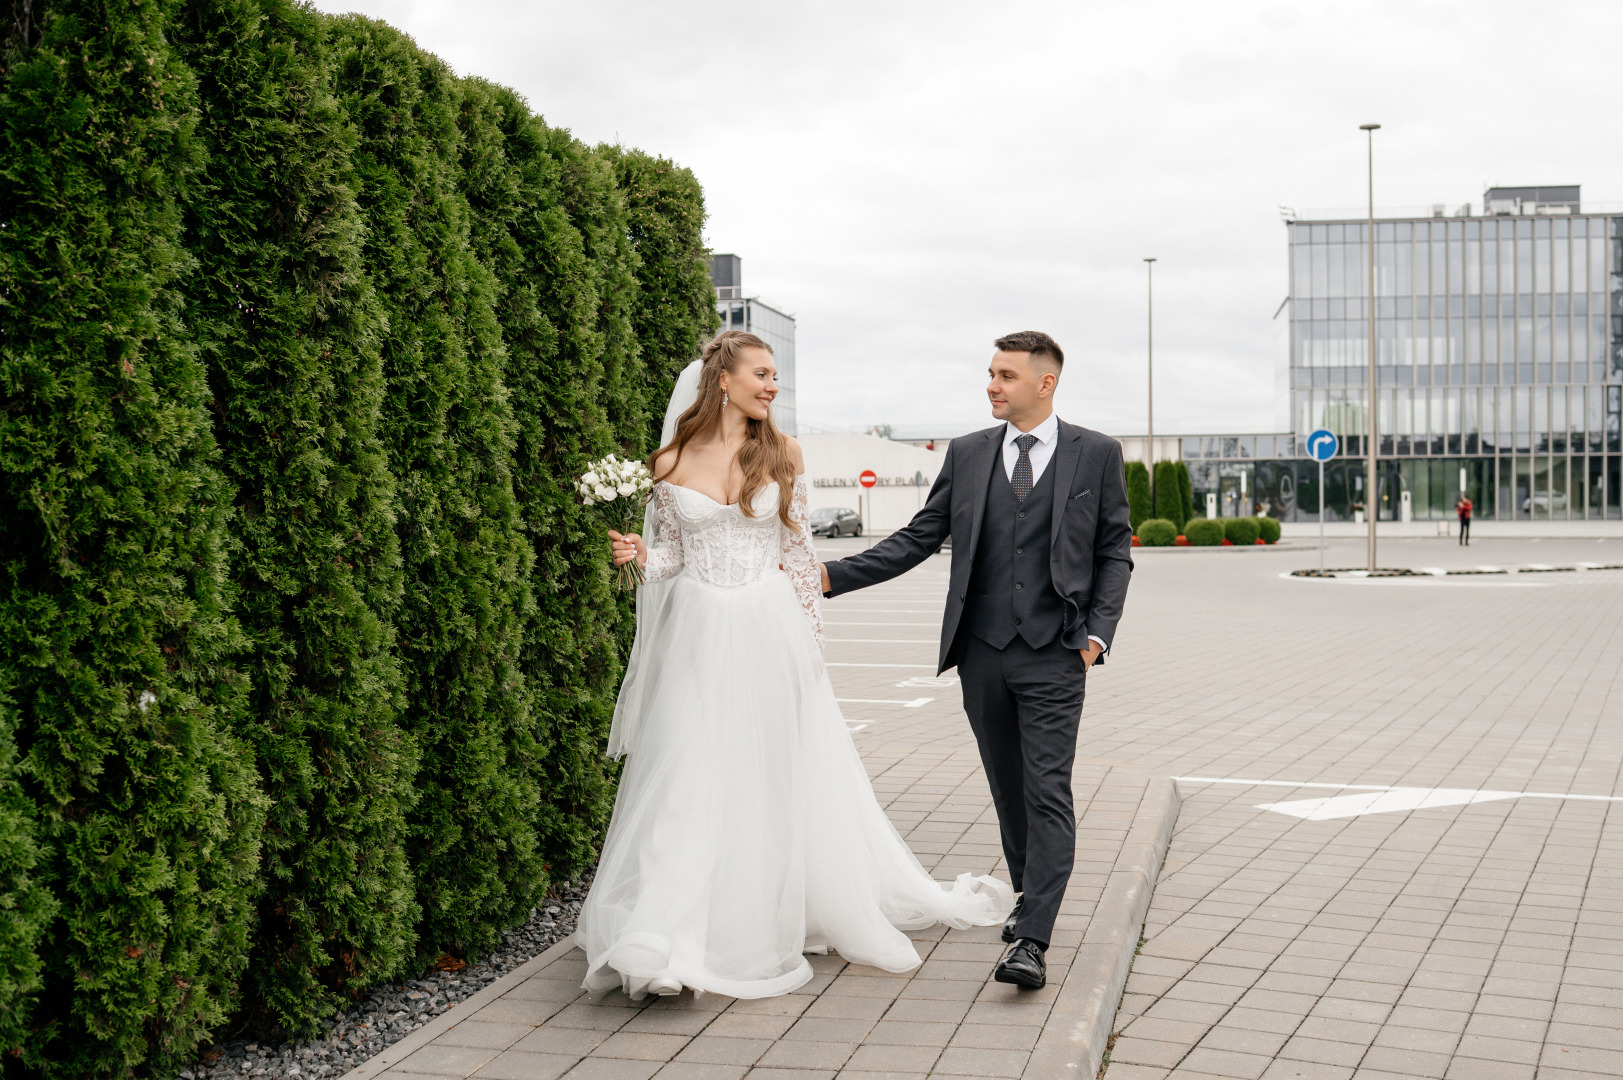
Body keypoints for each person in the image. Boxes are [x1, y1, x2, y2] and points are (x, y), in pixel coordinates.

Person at [577, 330, 1012, 1001]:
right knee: (686, 774)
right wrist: (637, 555)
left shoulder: (784, 454)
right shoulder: (668, 461)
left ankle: (761, 914)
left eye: (775, 375)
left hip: (767, 629)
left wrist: (809, 650)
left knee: (769, 776)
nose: (772, 385)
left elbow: (799, 558)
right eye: (762, 373)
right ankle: (664, 938)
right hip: (696, 634)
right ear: (723, 380)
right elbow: (672, 561)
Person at [817, 331, 1133, 990]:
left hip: (1056, 653)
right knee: (1008, 790)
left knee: (1047, 790)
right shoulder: (966, 452)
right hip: (981, 653)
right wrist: (828, 575)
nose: (992, 385)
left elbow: (1113, 552)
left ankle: (1032, 939)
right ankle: (1026, 895)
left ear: (1045, 382)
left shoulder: (1097, 453)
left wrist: (1096, 638)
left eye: (1006, 375)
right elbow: (918, 537)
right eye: (990, 373)